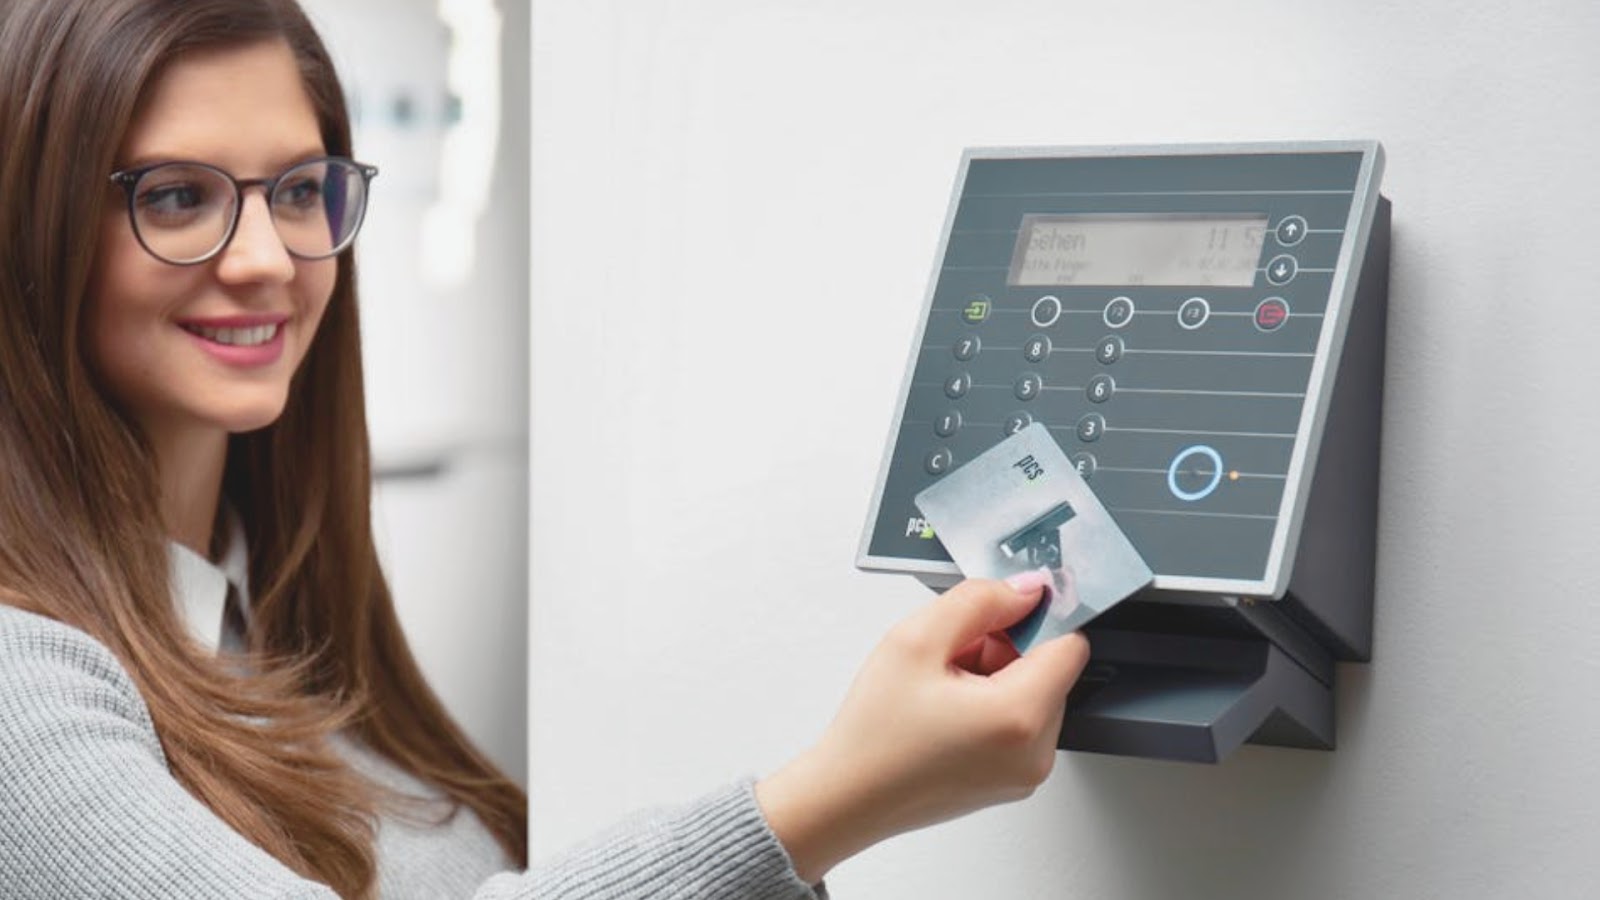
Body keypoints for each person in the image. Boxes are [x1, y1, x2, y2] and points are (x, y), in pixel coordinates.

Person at [0, 0, 1092, 897]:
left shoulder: (269, 626)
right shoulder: (21, 683)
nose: (263, 260)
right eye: (178, 197)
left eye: (296, 190)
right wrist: (834, 798)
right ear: (29, 222)